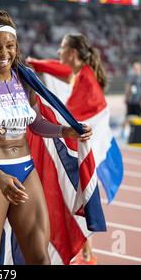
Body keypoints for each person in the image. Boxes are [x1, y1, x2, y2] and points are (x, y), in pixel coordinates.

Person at [0, 9, 92, 265]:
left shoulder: (25, 78)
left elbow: (37, 123)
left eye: (9, 46)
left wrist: (66, 131)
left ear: (16, 47)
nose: (4, 53)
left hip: (26, 171)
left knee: (40, 258)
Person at [56, 33, 109, 265]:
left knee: (75, 198)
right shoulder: (81, 75)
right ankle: (85, 254)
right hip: (85, 148)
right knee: (73, 199)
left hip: (86, 150)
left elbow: (71, 117)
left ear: (72, 53)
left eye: (62, 48)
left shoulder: (86, 80)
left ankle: (86, 255)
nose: (58, 52)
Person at [121, 60, 141, 139]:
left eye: (137, 67)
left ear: (140, 68)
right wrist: (126, 97)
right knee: (128, 117)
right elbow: (127, 87)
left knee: (140, 118)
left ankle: (140, 133)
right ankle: (123, 132)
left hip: (139, 101)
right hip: (131, 101)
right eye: (134, 67)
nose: (136, 69)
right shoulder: (130, 77)